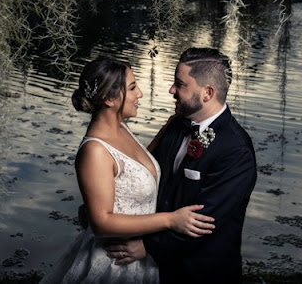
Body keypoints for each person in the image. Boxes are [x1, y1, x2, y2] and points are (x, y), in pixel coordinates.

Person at [40, 57, 215, 284]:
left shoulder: (120, 128)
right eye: (132, 87)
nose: (140, 94)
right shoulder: (94, 151)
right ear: (109, 98)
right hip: (113, 263)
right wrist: (171, 220)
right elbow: (101, 224)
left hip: (140, 257)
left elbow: (135, 168)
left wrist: (166, 131)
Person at [105, 47, 258, 284]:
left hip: (201, 274)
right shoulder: (177, 125)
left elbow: (203, 224)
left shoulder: (236, 151)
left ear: (207, 93)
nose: (171, 90)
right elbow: (147, 179)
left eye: (180, 84)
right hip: (157, 271)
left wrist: (147, 246)